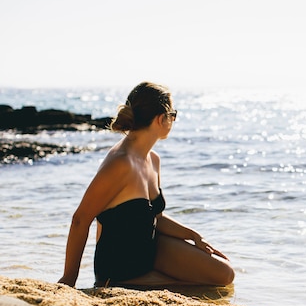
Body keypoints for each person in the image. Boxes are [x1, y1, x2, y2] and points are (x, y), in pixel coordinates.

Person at [58, 82, 235, 288]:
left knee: (223, 273)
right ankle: (117, 285)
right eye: (173, 114)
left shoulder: (153, 159)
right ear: (162, 119)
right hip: (120, 268)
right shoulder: (120, 163)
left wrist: (193, 235)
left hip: (148, 250)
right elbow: (80, 219)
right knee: (208, 285)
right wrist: (69, 279)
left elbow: (154, 217)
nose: (174, 120)